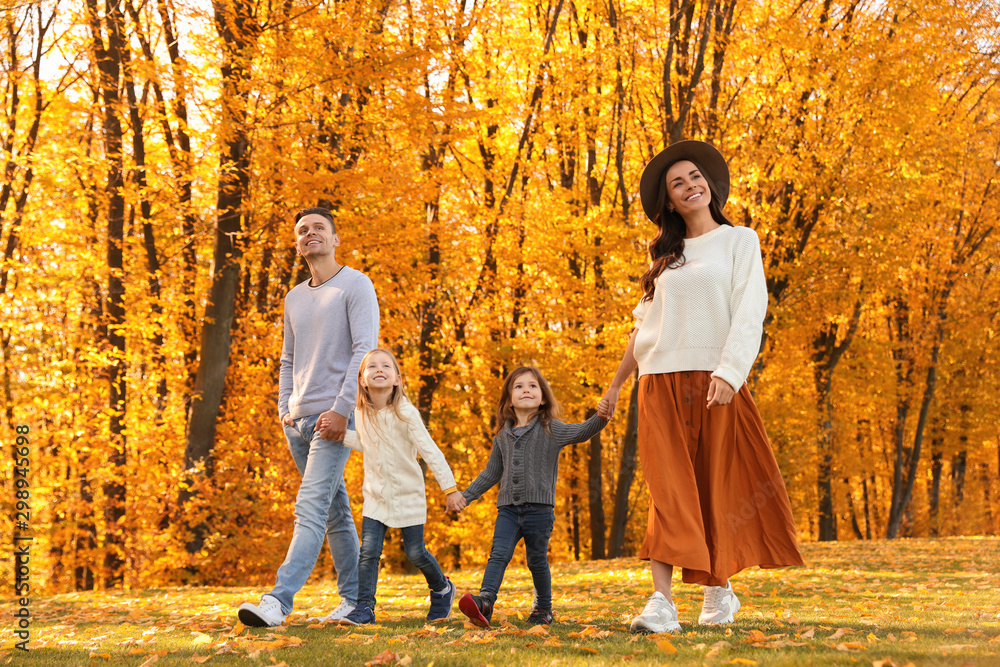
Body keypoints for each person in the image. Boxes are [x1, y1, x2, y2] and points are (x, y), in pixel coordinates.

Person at [597, 140, 803, 634]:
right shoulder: (667, 257)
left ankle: (719, 591)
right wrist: (616, 386)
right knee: (669, 492)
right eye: (677, 183)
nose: (689, 186)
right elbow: (644, 326)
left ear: (708, 184)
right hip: (659, 385)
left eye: (694, 177)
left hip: (716, 380)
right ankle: (661, 604)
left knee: (716, 486)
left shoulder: (739, 241)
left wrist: (731, 373)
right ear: (668, 201)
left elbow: (751, 310)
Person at [238, 207, 379, 627]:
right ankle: (356, 601)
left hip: (336, 418)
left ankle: (278, 601)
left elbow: (365, 352)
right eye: (303, 230)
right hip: (297, 421)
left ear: (336, 239)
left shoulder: (356, 285)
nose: (310, 234)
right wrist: (285, 408)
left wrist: (341, 410)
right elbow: (287, 359)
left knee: (311, 506)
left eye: (319, 228)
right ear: (298, 243)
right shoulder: (294, 297)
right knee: (334, 509)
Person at [458, 366, 608, 628]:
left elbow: (582, 431)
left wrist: (602, 417)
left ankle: (544, 609)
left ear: (542, 398)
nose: (525, 389)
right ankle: (485, 601)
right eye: (518, 386)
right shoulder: (502, 437)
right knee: (498, 554)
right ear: (508, 399)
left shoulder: (550, 429)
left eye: (532, 386)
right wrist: (465, 495)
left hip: (539, 510)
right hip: (507, 509)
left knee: (536, 560)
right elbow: (491, 474)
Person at [335, 348, 467, 625]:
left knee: (415, 552)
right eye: (372, 366)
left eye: (386, 366)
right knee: (369, 552)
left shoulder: (406, 412)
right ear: (362, 379)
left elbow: (430, 451)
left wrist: (450, 489)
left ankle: (442, 588)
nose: (379, 369)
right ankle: (365, 608)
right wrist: (341, 436)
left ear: (396, 378)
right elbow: (368, 445)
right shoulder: (360, 413)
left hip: (408, 494)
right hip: (376, 495)